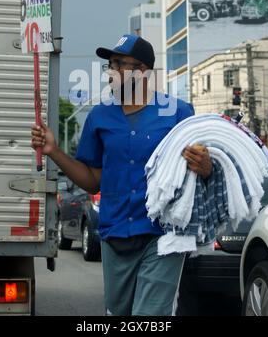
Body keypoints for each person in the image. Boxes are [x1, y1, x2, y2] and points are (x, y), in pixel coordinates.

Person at [31, 34, 212, 316]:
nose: (110, 73)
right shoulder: (99, 118)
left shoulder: (178, 113)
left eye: (118, 65)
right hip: (115, 233)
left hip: (163, 234)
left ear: (142, 71)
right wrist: (54, 151)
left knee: (149, 316)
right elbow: (93, 180)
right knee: (118, 313)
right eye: (109, 66)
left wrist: (206, 167)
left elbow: (206, 170)